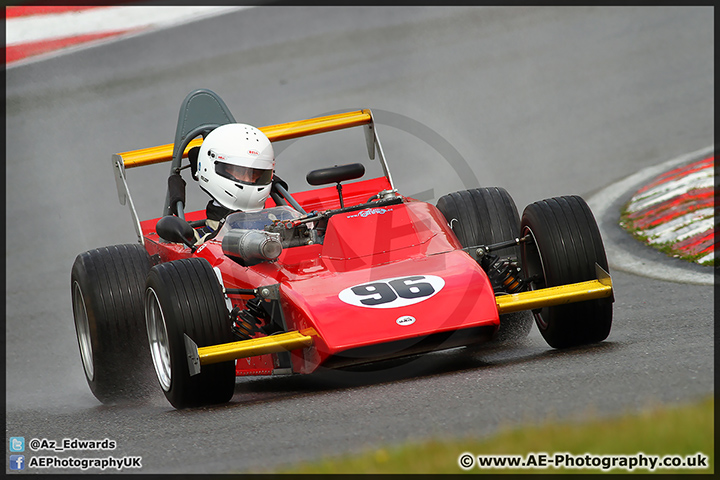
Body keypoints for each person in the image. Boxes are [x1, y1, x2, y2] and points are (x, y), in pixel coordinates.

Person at [193, 123, 276, 235]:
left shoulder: (277, 221)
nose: (248, 179)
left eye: (256, 173)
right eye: (239, 172)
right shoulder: (196, 240)